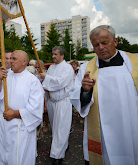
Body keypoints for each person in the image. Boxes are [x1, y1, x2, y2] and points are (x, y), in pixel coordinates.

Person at [70, 25, 138, 165]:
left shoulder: (134, 64)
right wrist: (85, 90)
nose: (100, 47)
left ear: (115, 41)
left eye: (104, 42)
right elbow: (76, 97)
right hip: (101, 131)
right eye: (96, 45)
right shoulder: (86, 69)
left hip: (131, 124)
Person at [0, 50, 44, 165]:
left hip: (21, 127)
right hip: (3, 126)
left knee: (18, 158)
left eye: (14, 59)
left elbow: (36, 109)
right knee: (2, 156)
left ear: (24, 62)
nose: (10, 61)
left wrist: (15, 113)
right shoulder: (5, 76)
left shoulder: (32, 81)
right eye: (10, 58)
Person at [40, 46, 74, 165]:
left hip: (63, 102)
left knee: (61, 128)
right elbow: (46, 84)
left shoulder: (68, 68)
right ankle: (62, 146)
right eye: (53, 54)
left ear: (62, 55)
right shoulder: (51, 68)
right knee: (55, 128)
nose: (53, 56)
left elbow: (61, 83)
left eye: (55, 54)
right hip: (52, 102)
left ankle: (57, 156)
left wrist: (46, 77)